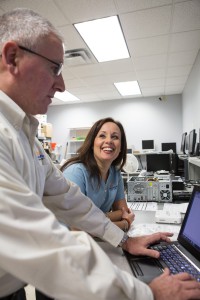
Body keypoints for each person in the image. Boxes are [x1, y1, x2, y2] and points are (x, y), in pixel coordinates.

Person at [0, 7, 200, 300]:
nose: (62, 84)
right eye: (54, 68)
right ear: (12, 57)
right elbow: (43, 240)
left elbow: (69, 199)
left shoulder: (24, 134)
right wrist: (145, 294)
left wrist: (123, 240)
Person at [61, 117, 134, 232]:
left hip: (96, 239)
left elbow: (124, 212)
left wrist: (93, 220)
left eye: (115, 137)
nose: (109, 141)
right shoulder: (76, 173)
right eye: (102, 136)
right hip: (65, 241)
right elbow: (77, 227)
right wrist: (125, 224)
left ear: (121, 147)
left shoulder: (115, 172)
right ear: (92, 143)